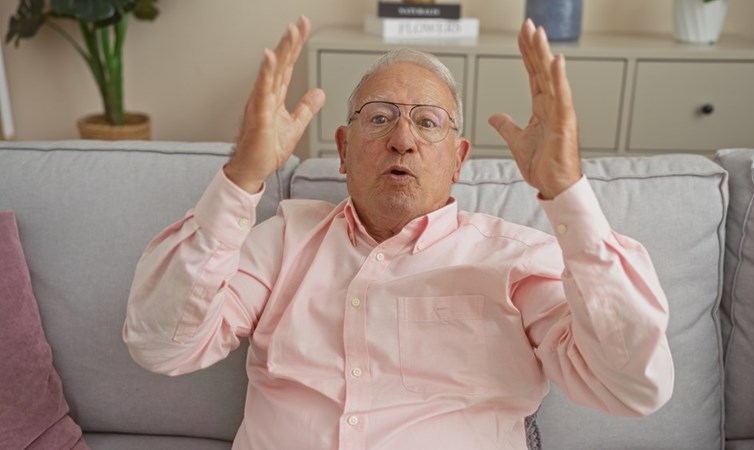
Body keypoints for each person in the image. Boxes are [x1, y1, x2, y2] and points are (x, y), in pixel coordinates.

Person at [124, 16, 674, 450]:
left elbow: (633, 386)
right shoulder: (285, 238)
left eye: (427, 121)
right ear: (342, 148)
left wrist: (567, 192)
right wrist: (241, 179)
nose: (403, 139)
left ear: (458, 159)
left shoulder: (517, 260)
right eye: (381, 117)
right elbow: (163, 347)